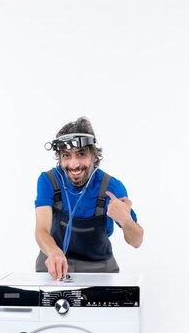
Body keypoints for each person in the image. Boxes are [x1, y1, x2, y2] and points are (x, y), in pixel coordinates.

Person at [35, 116, 143, 279]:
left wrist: (125, 220)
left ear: (94, 155)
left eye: (81, 154)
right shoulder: (48, 181)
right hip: (54, 265)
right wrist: (54, 251)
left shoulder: (111, 187)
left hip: (99, 268)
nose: (74, 164)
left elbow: (136, 241)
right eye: (66, 155)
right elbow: (41, 230)